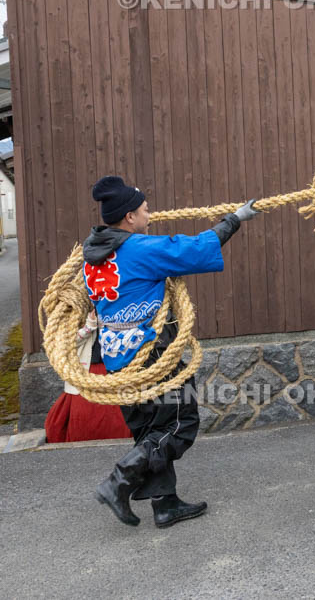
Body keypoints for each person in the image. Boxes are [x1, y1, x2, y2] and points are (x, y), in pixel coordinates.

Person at [87, 176, 260, 528]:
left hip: (117, 359)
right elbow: (193, 249)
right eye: (144, 208)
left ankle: (165, 505)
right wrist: (235, 220)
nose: (150, 212)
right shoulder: (139, 249)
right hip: (152, 357)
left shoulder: (93, 256)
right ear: (129, 217)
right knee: (180, 423)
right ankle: (118, 481)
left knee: (151, 429)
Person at [44, 307, 133, 443]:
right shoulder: (74, 309)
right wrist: (89, 326)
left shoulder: (121, 304)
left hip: (114, 367)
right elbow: (64, 343)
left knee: (117, 413)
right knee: (83, 413)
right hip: (85, 370)